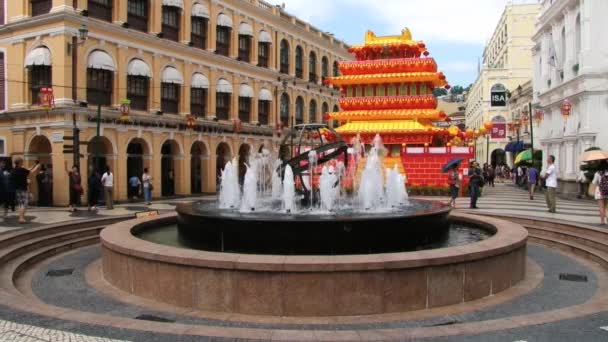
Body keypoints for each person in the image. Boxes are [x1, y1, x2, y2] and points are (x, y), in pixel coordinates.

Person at [13, 158, 40, 223]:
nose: (23, 163)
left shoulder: (14, 170)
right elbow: (31, 172)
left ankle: (21, 217)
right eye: (22, 162)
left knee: (20, 203)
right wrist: (37, 166)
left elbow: (28, 169)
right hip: (23, 189)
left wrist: (34, 165)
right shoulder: (22, 170)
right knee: (24, 204)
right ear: (20, 162)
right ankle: (21, 218)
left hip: (17, 189)